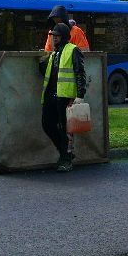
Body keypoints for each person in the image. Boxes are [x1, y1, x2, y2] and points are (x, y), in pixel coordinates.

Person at [41, 22, 87, 172]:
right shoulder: (54, 54)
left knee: (64, 129)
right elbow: (51, 73)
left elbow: (80, 72)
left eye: (57, 36)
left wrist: (80, 95)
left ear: (65, 37)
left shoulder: (73, 50)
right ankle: (63, 152)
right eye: (53, 36)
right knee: (47, 124)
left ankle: (66, 159)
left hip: (65, 97)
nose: (54, 39)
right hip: (51, 96)